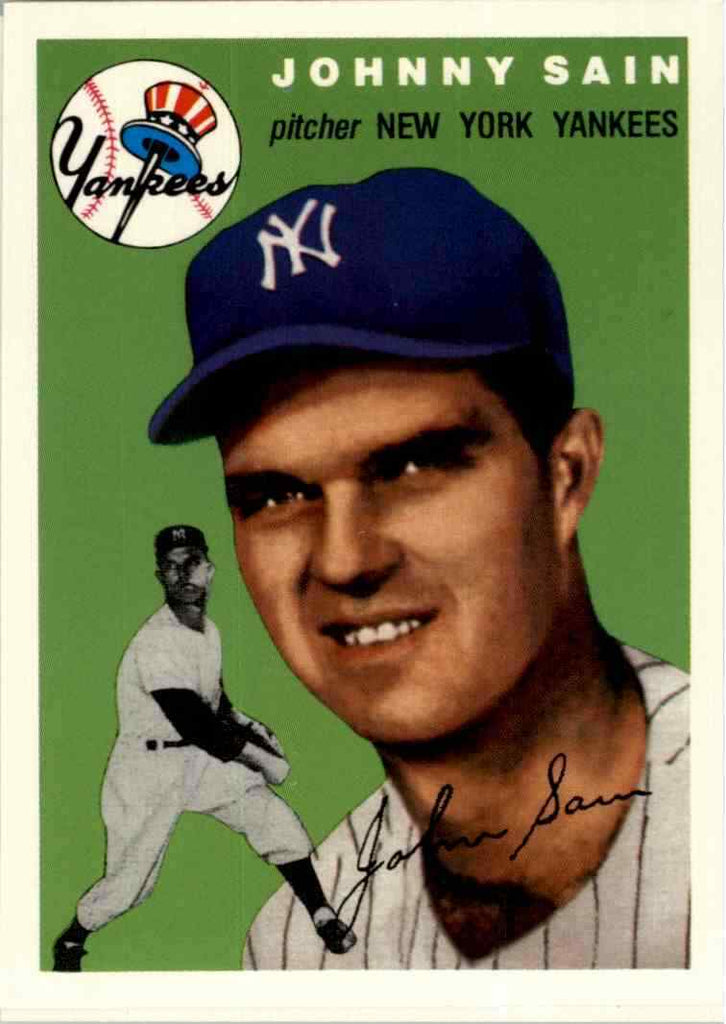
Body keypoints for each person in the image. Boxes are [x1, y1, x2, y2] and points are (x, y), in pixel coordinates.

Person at [147, 169, 690, 969]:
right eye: (276, 496)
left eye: (410, 467)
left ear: (565, 477)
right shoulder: (295, 947)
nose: (344, 558)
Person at [52, 524, 355, 971]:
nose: (183, 574)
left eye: (192, 562)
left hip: (199, 761)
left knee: (271, 818)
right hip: (147, 769)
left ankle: (321, 913)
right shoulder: (156, 642)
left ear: (209, 570)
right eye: (171, 566)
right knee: (130, 885)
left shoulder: (206, 630)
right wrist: (261, 758)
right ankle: (72, 940)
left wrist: (248, 724)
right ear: (160, 576)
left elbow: (212, 699)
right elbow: (194, 723)